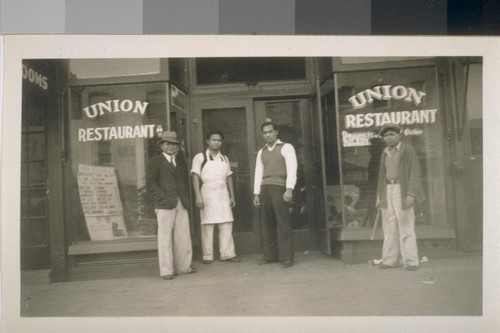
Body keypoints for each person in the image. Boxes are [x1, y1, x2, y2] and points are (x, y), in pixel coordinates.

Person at [147, 131, 196, 280]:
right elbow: (151, 183)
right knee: (165, 238)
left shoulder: (180, 161)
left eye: (174, 144)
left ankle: (183, 267)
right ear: (161, 145)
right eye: (167, 144)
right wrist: (161, 197)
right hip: (164, 204)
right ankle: (167, 270)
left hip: (181, 202)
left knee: (183, 236)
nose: (170, 147)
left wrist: (185, 198)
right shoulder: (155, 161)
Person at [376, 124, 425, 271]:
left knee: (405, 225)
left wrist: (411, 194)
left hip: (401, 190)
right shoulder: (384, 153)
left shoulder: (408, 150)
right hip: (388, 190)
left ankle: (410, 261)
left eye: (391, 134)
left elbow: (415, 173)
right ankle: (390, 260)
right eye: (386, 136)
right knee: (389, 226)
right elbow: (381, 177)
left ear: (399, 135)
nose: (388, 138)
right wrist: (379, 195)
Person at [191, 130, 240, 264]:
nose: (216, 142)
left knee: (226, 222)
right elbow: (195, 176)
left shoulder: (224, 158)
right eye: (214, 140)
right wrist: (198, 196)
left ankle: (228, 253)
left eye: (219, 140)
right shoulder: (200, 157)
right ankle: (208, 255)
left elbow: (229, 177)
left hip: (223, 192)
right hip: (207, 191)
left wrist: (232, 196)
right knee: (207, 224)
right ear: (208, 141)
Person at [253, 121, 297, 268]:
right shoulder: (261, 151)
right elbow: (258, 173)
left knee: (283, 222)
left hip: (279, 188)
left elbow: (292, 169)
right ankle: (269, 256)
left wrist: (289, 188)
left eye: (270, 131)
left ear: (276, 132)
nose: (268, 135)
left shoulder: (286, 147)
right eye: (265, 132)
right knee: (266, 224)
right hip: (264, 188)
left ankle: (287, 258)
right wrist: (256, 193)